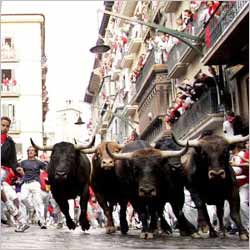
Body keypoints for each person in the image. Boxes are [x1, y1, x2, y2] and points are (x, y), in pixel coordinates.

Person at [1, 116, 29, 232]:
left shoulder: (10, 142)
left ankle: (17, 216)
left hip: (3, 169)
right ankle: (20, 219)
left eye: (7, 126)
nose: (5, 128)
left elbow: (13, 160)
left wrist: (18, 169)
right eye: (3, 125)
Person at [17, 146, 48, 229]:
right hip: (25, 184)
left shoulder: (39, 162)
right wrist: (20, 173)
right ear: (27, 152)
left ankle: (42, 222)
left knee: (38, 202)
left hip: (35, 183)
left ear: (35, 153)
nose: (30, 152)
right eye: (29, 150)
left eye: (32, 151)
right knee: (22, 199)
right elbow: (20, 173)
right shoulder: (23, 162)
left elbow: (47, 168)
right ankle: (31, 208)